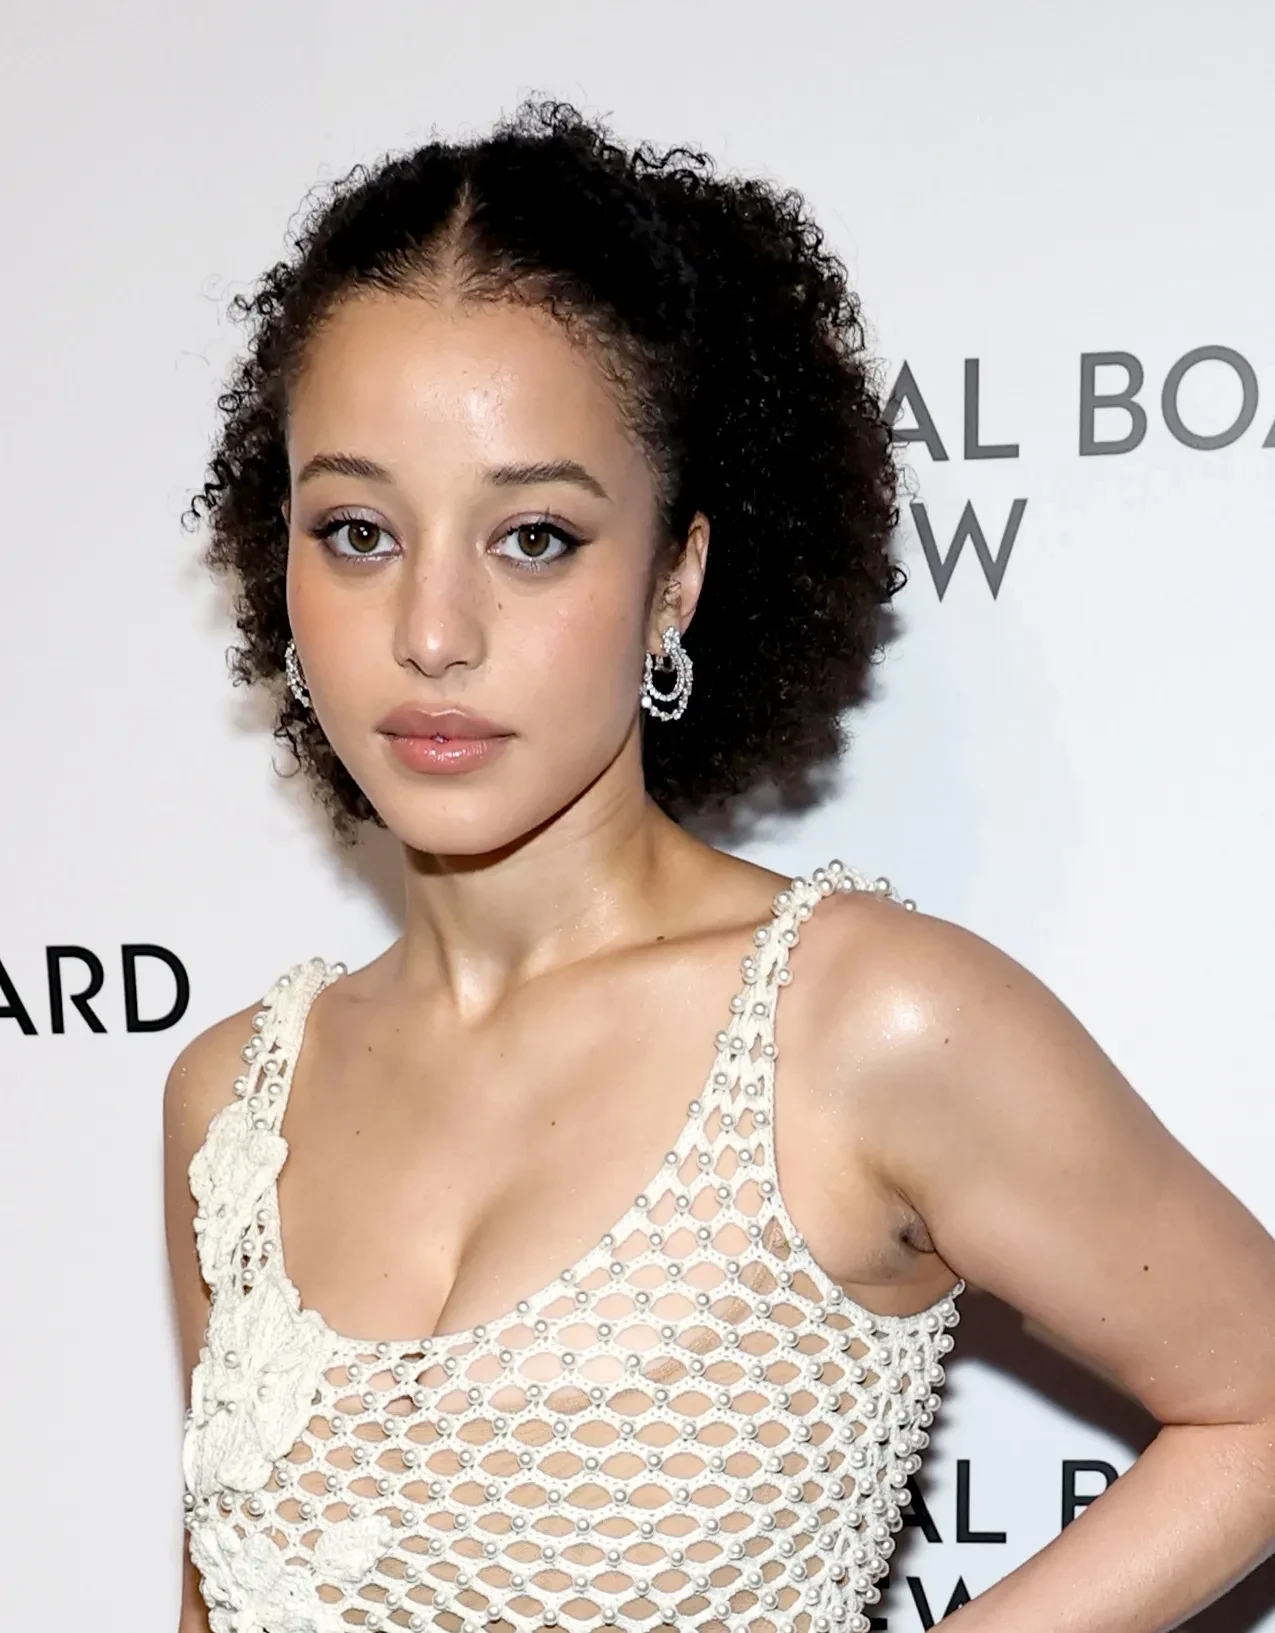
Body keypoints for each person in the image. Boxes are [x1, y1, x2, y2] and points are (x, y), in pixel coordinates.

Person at [164, 98, 1275, 1633]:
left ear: (674, 576)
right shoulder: (231, 1105)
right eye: (357, 531)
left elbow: (1253, 1406)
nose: (431, 633)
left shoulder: (859, 1026)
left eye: (532, 537)